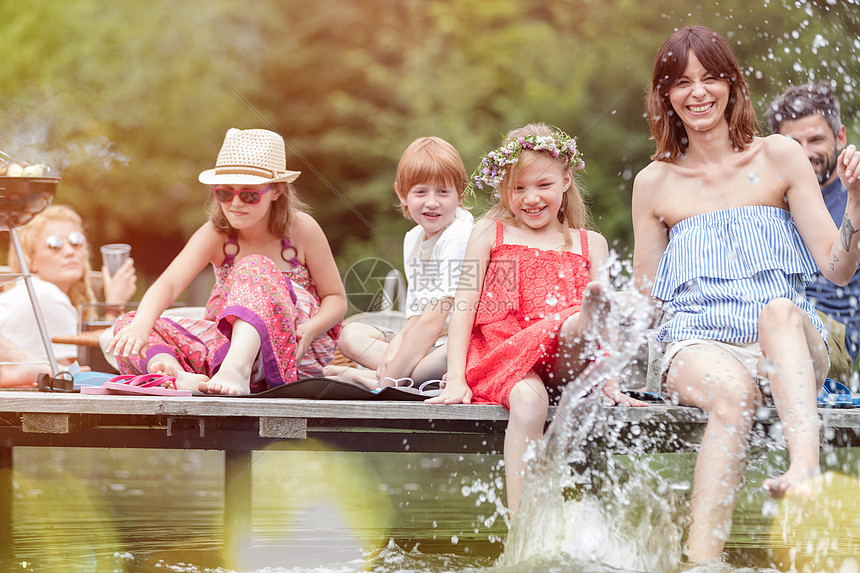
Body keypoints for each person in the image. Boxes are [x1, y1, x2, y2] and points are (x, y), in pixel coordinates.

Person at [631, 26, 860, 564]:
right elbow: (646, 302)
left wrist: (855, 200)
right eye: (682, 82)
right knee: (732, 394)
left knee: (778, 311)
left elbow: (838, 269)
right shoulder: (654, 184)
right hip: (697, 346)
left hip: (787, 343)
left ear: (732, 85)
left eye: (711, 77)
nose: (699, 92)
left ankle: (803, 468)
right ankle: (701, 560)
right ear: (665, 95)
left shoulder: (780, 155)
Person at [428, 122, 646, 514]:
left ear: (566, 180)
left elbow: (605, 337)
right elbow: (464, 304)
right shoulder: (489, 232)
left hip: (570, 360)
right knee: (529, 404)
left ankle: (585, 317)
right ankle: (525, 535)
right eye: (518, 188)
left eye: (542, 185)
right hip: (506, 355)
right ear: (504, 188)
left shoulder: (589, 243)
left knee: (580, 324)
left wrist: (610, 380)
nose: (530, 198)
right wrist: (457, 378)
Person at [107, 128, 346, 395]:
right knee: (129, 324)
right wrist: (141, 325)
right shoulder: (217, 233)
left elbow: (335, 297)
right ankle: (172, 373)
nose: (235, 204)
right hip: (226, 353)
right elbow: (170, 283)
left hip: (294, 349)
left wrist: (310, 330)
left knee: (254, 266)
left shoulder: (302, 230)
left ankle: (237, 370)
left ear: (277, 191)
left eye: (249, 195)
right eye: (224, 193)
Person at [323, 136, 473, 389]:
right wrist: (400, 340)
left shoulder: (459, 236)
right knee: (351, 335)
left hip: (458, 344)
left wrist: (389, 375)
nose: (432, 202)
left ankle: (383, 382)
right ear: (402, 194)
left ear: (460, 194)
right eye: (421, 192)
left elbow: (435, 318)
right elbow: (417, 314)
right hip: (425, 342)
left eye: (443, 192)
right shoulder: (414, 237)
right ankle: (404, 374)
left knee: (451, 356)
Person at [766, 82, 860, 380]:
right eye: (794, 143)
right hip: (764, 324)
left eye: (816, 140)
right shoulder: (767, 197)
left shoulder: (854, 195)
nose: (805, 154)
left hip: (830, 341)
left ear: (840, 136)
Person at [0, 204, 137, 385]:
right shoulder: (45, 296)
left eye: (76, 241)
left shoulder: (26, 291)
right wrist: (114, 304)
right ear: (30, 260)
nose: (69, 251)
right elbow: (83, 376)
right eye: (54, 244)